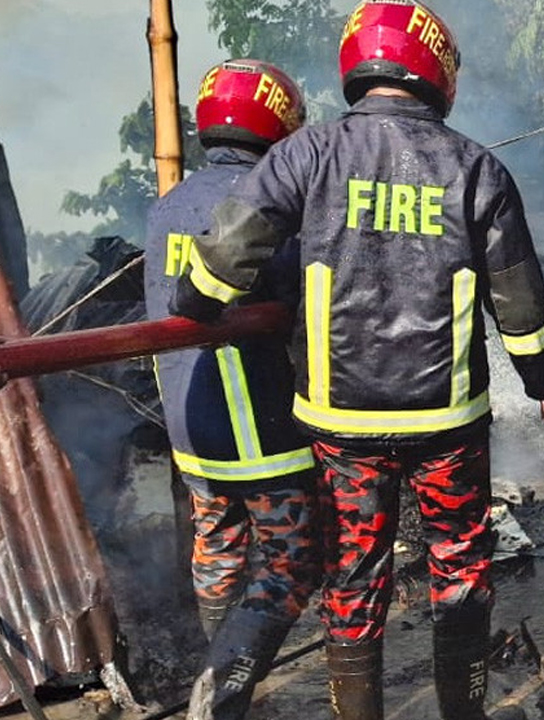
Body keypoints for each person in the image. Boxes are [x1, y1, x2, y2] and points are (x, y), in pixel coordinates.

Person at [170, 3, 544, 719]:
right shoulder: (477, 167)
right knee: (459, 565)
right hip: (447, 422)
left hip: (341, 422)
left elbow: (223, 263)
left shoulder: (305, 153)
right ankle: (464, 708)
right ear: (437, 70)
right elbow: (520, 301)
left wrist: (194, 304)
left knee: (352, 578)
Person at [143, 59, 323, 720]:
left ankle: (221, 670)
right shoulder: (270, 200)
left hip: (192, 431)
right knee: (289, 568)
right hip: (262, 428)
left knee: (219, 553)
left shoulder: (166, 207)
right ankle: (221, 692)